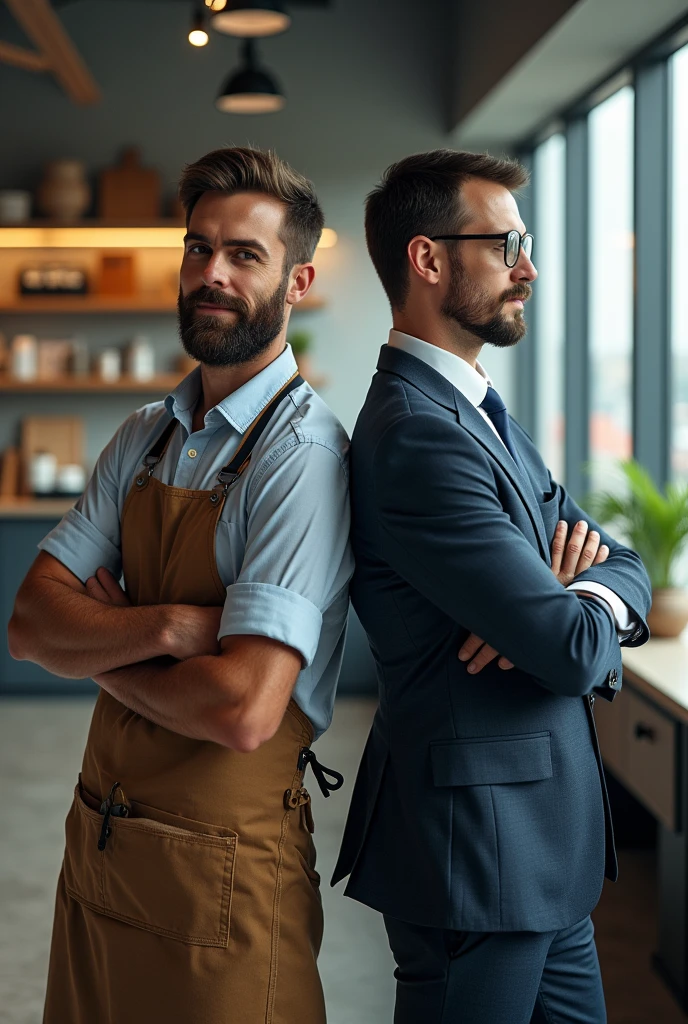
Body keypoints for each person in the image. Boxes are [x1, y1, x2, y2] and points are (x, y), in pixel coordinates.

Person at [9, 146, 353, 1024]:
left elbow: (242, 708)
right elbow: (30, 623)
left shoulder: (303, 457)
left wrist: (101, 650)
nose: (212, 274)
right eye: (199, 248)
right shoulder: (143, 435)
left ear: (298, 280)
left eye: (245, 255)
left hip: (223, 882)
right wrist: (166, 628)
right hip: (105, 848)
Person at [332, 149, 651, 1024]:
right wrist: (559, 617)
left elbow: (620, 561)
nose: (529, 267)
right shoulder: (417, 436)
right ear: (428, 259)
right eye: (506, 243)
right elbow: (572, 651)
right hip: (478, 851)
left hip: (540, 850)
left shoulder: (478, 412)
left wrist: (573, 597)